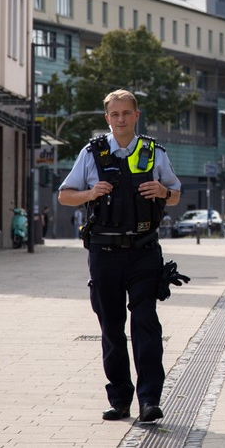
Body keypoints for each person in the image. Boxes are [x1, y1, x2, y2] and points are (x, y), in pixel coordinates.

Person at [58, 90, 181, 424]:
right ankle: (120, 400)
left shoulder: (153, 152)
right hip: (104, 252)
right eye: (116, 114)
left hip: (144, 251)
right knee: (111, 328)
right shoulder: (91, 153)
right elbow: (65, 196)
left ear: (137, 116)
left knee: (146, 324)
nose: (122, 119)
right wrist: (90, 192)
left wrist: (164, 192)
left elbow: (175, 193)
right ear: (107, 119)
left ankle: (150, 400)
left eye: (127, 113)